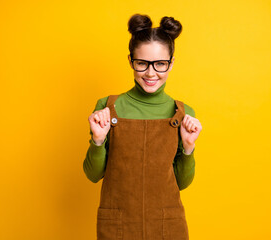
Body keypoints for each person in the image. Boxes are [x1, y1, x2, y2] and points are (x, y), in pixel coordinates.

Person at [83, 13, 202, 240]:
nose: (150, 73)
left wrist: (188, 147)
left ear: (172, 63)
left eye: (160, 64)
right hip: (118, 226)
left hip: (167, 226)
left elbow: (182, 183)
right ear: (130, 61)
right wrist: (98, 141)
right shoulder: (108, 107)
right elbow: (93, 174)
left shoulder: (184, 114)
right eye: (142, 63)